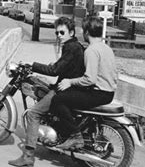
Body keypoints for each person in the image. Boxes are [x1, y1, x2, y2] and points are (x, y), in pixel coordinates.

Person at [8, 16, 85, 167]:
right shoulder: (76, 46)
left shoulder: (71, 47)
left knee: (33, 113)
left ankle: (28, 156)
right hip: (71, 87)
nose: (59, 36)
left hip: (67, 89)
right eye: (57, 33)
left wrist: (33, 65)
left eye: (62, 33)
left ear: (71, 32)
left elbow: (55, 70)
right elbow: (63, 67)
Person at [50, 16, 118, 150]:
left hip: (98, 93)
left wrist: (70, 81)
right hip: (109, 92)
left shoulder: (91, 51)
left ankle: (75, 136)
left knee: (58, 100)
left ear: (86, 32)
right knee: (70, 96)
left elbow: (89, 79)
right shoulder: (106, 48)